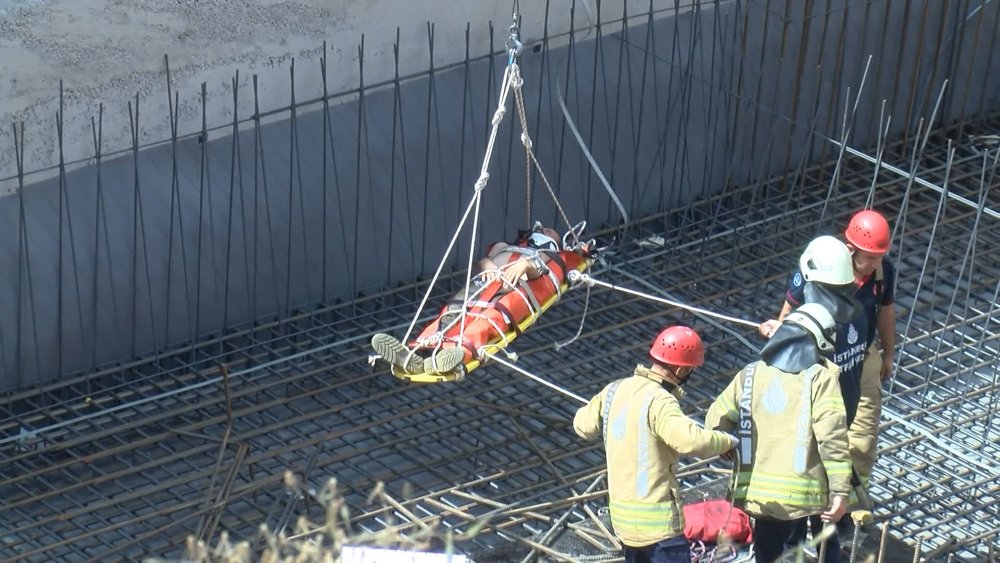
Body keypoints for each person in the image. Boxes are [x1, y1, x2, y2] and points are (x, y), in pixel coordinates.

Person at [573, 326, 738, 563]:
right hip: (659, 530)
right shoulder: (660, 400)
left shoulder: (613, 390)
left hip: (624, 527)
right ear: (681, 369)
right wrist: (727, 440)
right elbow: (691, 441)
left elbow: (582, 425)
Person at [759, 210, 897, 486]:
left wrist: (888, 354)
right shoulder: (821, 267)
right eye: (870, 257)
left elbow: (886, 311)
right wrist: (779, 334)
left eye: (879, 256)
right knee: (819, 431)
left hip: (861, 356)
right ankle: (820, 492)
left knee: (862, 438)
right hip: (824, 363)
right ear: (850, 249)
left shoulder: (883, 271)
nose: (875, 264)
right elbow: (790, 309)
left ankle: (854, 500)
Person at [707, 303, 851, 563]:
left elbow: (717, 417)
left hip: (760, 496)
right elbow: (832, 440)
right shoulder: (820, 379)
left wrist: (722, 441)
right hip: (803, 497)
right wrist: (840, 492)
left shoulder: (751, 373)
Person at [372, 223, 564, 376]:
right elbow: (485, 260)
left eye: (548, 231)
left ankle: (455, 354)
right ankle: (418, 350)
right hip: (483, 284)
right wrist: (487, 264)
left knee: (484, 322)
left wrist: (524, 265)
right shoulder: (504, 247)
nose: (542, 230)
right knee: (451, 314)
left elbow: (540, 274)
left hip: (510, 291)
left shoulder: (546, 255)